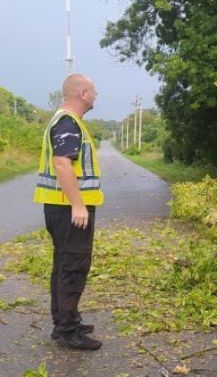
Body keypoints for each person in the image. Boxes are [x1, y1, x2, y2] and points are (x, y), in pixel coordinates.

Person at [33, 74, 104, 350]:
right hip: (68, 209)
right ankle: (67, 330)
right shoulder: (68, 122)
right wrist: (78, 204)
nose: (96, 95)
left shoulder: (65, 121)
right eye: (93, 91)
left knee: (64, 263)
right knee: (74, 265)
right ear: (83, 94)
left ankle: (64, 319)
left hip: (60, 207)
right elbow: (62, 163)